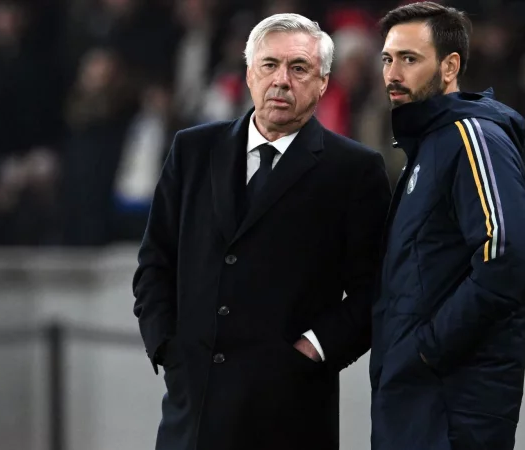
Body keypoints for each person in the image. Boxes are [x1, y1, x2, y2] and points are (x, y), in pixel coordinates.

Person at [132, 13, 391, 450]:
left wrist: (313, 350)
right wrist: (167, 348)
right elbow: (155, 263)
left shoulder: (355, 170)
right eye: (269, 65)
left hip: (290, 415)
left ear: (323, 82)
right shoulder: (193, 151)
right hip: (191, 414)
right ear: (249, 73)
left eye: (299, 68)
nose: (282, 80)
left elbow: (376, 291)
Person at [369, 3, 525, 450]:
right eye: (387, 59)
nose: (392, 73)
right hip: (418, 404)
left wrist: (427, 349)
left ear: (450, 66)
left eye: (409, 58)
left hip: (452, 409)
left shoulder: (472, 135)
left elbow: (507, 257)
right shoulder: (429, 146)